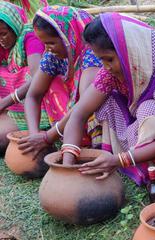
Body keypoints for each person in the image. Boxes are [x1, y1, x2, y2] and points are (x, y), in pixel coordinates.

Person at [59, 13, 155, 184]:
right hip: (133, 139)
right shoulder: (110, 74)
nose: (106, 67)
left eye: (109, 59)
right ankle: (130, 162)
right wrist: (67, 164)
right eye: (102, 60)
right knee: (107, 101)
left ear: (132, 53)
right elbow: (79, 114)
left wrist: (119, 160)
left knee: (149, 109)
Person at [18, 5, 101, 157]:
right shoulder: (53, 56)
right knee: (49, 84)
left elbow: (83, 106)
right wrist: (34, 135)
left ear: (68, 37)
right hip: (71, 119)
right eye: (44, 44)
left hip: (92, 115)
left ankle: (94, 144)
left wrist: (47, 137)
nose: (47, 49)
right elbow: (33, 96)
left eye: (51, 43)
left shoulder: (93, 53)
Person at [0, 1, 44, 153]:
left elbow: (39, 76)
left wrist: (6, 101)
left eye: (4, 34)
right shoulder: (2, 45)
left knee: (26, 75)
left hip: (36, 99)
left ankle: (36, 126)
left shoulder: (30, 37)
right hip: (10, 106)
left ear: (15, 26)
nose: (1, 40)